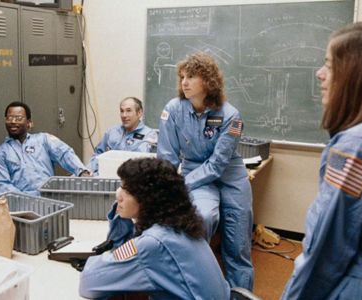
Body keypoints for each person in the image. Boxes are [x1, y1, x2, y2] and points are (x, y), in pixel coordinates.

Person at [282, 21, 362, 299]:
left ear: (357, 73)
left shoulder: (357, 148)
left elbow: (327, 252)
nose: (319, 74)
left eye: (328, 64)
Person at [157, 52, 254, 290]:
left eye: (191, 77)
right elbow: (167, 156)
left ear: (208, 81)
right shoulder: (173, 109)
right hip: (195, 174)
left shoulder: (231, 116)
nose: (184, 82)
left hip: (230, 178)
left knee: (238, 247)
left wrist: (183, 183)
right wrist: (167, 189)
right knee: (203, 219)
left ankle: (239, 295)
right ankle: (202, 289)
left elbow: (218, 165)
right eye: (182, 77)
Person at [79, 158, 230, 299]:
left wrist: (92, 262)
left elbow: (89, 282)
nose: (118, 194)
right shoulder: (180, 226)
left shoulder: (153, 242)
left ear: (148, 200)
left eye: (127, 190)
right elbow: (121, 244)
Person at [0, 101, 90, 195]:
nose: (13, 122)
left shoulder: (43, 140)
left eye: (18, 118)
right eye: (9, 118)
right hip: (22, 206)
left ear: (29, 122)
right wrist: (27, 200)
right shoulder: (0, 154)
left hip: (50, 198)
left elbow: (64, 153)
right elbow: (2, 185)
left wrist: (81, 171)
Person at [88, 97, 157, 175]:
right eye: (122, 111)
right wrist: (89, 171)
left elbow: (148, 165)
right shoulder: (112, 132)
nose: (124, 115)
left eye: (128, 111)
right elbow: (98, 154)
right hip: (108, 176)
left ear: (139, 113)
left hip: (134, 180)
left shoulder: (149, 136)